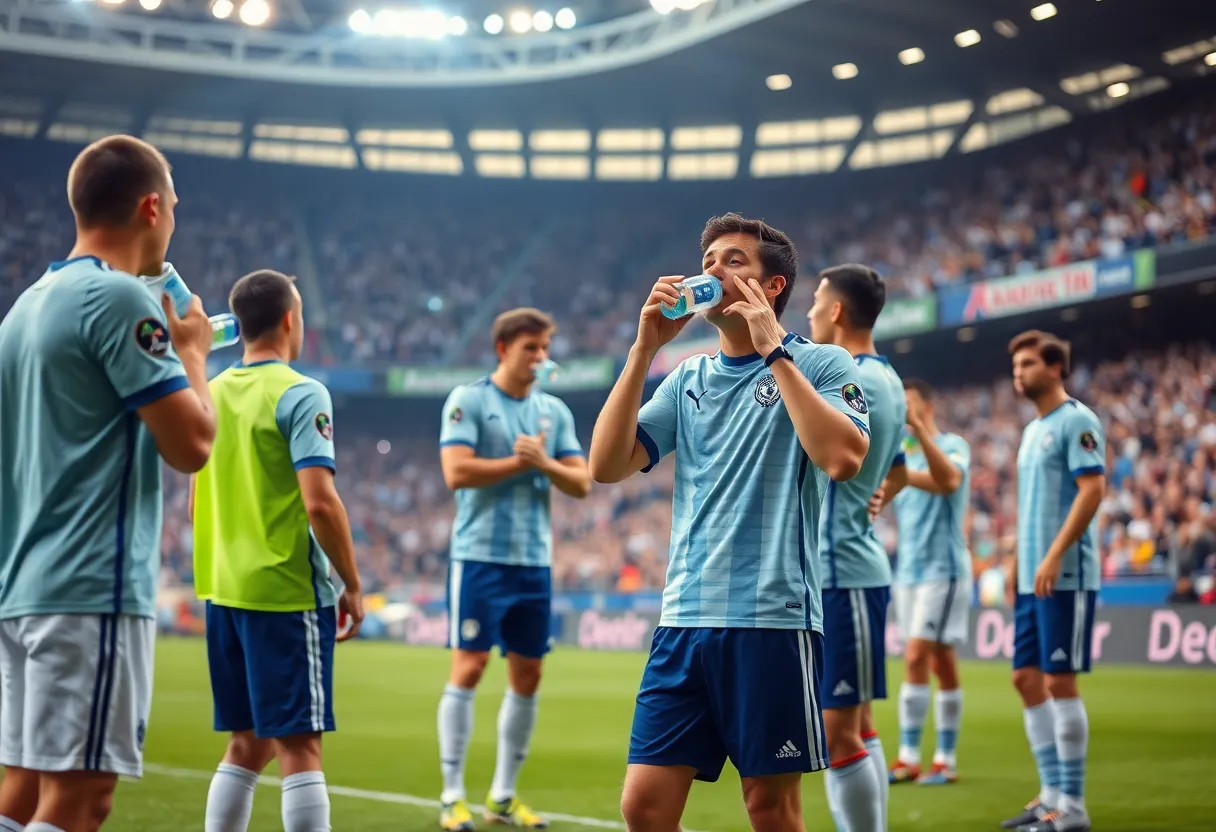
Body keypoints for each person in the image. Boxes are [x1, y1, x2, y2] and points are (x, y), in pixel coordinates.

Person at [588, 214, 871, 832]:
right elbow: (605, 465)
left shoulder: (823, 364)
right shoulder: (685, 376)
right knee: (643, 808)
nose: (712, 269)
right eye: (708, 258)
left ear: (772, 287)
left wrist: (773, 350)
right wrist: (644, 350)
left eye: (733, 260)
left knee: (769, 808)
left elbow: (843, 458)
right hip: (682, 621)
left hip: (771, 619)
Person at [0, 135, 217, 831]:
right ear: (152, 207)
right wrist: (191, 353)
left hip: (20, 587)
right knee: (80, 799)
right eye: (175, 206)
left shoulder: (26, 307)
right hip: (88, 588)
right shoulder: (119, 300)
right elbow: (192, 444)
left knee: (23, 790)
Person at [189, 269, 365, 832]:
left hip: (224, 590)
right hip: (285, 593)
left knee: (247, 743)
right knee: (300, 748)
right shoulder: (301, 391)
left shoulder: (209, 391)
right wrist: (352, 584)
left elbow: (196, 505)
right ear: (292, 318)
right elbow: (320, 503)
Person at [436, 308, 591, 831]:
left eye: (546, 348)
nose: (541, 358)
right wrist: (518, 464)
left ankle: (501, 797)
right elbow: (456, 472)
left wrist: (544, 464)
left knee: (529, 674)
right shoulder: (469, 400)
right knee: (471, 666)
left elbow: (582, 482)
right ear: (503, 348)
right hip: (479, 557)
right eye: (531, 348)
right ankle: (451, 795)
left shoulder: (555, 412)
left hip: (533, 562)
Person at [807, 264, 907, 832]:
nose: (811, 311)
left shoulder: (855, 380)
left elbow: (849, 459)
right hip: (848, 567)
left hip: (843, 572)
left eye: (818, 301)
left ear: (838, 311)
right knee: (857, 724)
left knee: (840, 730)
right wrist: (874, 498)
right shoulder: (884, 376)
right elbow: (896, 467)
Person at [1000, 331, 1104, 832]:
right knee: (1025, 679)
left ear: (1056, 368)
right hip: (1032, 577)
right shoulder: (1031, 430)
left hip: (1065, 576)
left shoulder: (1078, 420)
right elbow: (1029, 506)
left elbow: (1092, 490)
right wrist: (1019, 559)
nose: (1017, 372)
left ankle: (1073, 807)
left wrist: (1052, 555)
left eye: (1027, 364)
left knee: (1059, 681)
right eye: (1015, 365)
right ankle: (1049, 797)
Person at [873, 379, 971, 787]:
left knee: (916, 656)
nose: (905, 411)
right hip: (909, 572)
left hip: (943, 570)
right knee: (942, 661)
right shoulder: (904, 454)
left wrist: (919, 436)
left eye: (910, 404)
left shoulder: (952, 445)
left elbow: (947, 480)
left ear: (927, 405)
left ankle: (912, 756)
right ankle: (944, 758)